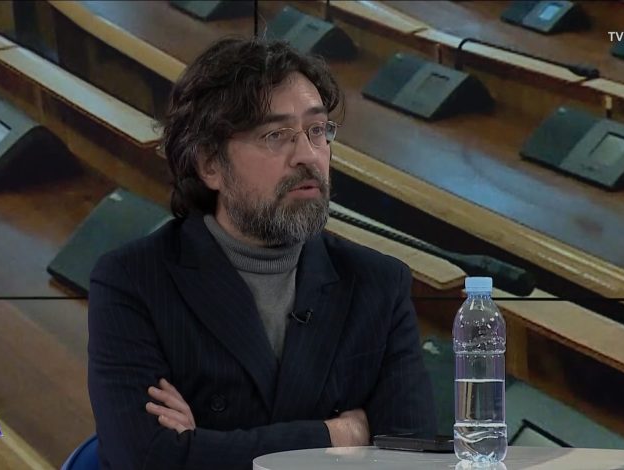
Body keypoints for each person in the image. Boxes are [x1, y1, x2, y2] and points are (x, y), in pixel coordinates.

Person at [87, 37, 436, 470]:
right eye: (276, 136)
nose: (308, 155)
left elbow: (411, 459)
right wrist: (337, 435)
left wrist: (206, 447)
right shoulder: (133, 281)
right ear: (210, 164)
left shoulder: (378, 283)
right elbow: (145, 460)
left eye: (317, 130)